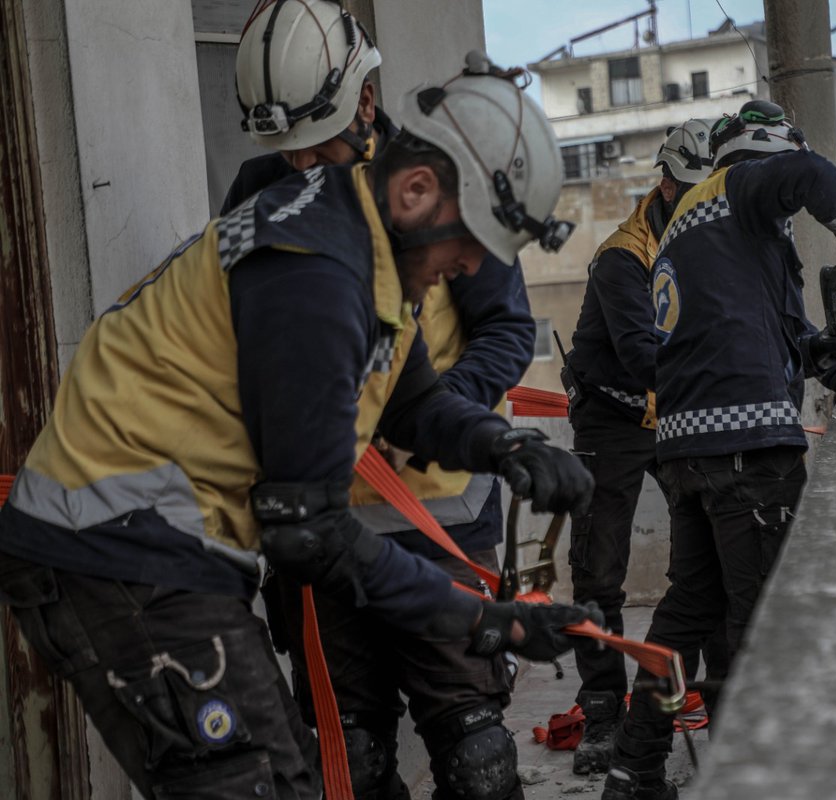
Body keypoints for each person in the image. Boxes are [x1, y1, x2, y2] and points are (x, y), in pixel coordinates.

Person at [0, 45, 595, 800]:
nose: (476, 270)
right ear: (416, 189)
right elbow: (308, 532)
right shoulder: (317, 275)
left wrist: (502, 444)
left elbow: (411, 405)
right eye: (473, 241)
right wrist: (491, 622)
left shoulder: (365, 243)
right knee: (255, 783)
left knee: (290, 780)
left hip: (157, 550)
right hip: (119, 552)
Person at [226, 4, 538, 798]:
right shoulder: (259, 194)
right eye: (286, 147)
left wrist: (435, 414)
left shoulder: (443, 184)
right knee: (349, 760)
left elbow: (507, 329)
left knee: (476, 757)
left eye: (317, 139)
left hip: (438, 521)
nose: (303, 164)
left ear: (365, 103)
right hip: (322, 540)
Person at [601, 100, 836, 800]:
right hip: (744, 452)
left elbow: (779, 336)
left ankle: (634, 772)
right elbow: (807, 175)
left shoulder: (692, 227)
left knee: (686, 616)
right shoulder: (741, 187)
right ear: (761, 153)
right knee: (767, 624)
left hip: (686, 451)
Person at [561, 120, 715, 776]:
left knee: (705, 556)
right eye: (689, 194)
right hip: (613, 419)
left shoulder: (707, 242)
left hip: (673, 412)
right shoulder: (622, 258)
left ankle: (674, 695)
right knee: (600, 572)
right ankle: (601, 712)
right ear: (666, 183)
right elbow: (640, 353)